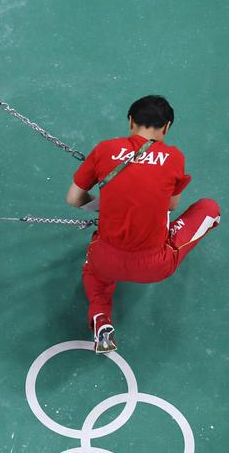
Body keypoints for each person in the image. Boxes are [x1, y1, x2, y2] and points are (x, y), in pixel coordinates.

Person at [66, 95, 220, 353]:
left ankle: (101, 319)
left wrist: (107, 206)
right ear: (167, 126)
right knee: (209, 209)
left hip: (106, 259)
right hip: (154, 266)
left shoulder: (105, 149)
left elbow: (73, 198)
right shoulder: (173, 157)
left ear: (130, 121)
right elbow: (171, 206)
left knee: (94, 275)